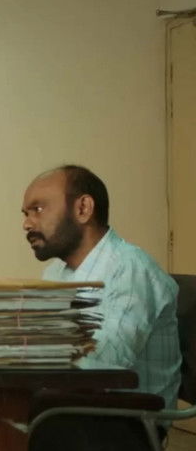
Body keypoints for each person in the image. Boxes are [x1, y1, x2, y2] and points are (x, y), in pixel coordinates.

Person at [21, 165, 181, 409]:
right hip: (69, 407)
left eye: (38, 209)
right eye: (25, 213)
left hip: (124, 419)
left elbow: (103, 362)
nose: (26, 224)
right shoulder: (56, 273)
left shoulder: (130, 268)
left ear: (83, 209)